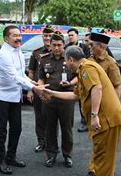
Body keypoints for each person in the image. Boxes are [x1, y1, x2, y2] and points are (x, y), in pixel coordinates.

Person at [43, 46, 121, 176]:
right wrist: (52, 93)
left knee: (104, 161)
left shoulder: (86, 68)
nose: (66, 65)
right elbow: (76, 95)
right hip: (106, 120)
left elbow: (97, 87)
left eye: (66, 62)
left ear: (70, 60)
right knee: (100, 159)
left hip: (106, 120)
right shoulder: (87, 67)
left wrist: (94, 115)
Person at [0, 25, 46, 175]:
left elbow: (21, 74)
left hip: (14, 96)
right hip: (1, 96)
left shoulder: (19, 51)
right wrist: (33, 88)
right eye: (14, 35)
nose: (18, 38)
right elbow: (13, 76)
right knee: (1, 130)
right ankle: (0, 160)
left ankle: (11, 156)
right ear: (7, 38)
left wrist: (32, 83)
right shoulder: (3, 55)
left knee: (16, 128)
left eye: (19, 35)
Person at [78, 32, 121, 176]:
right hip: (94, 110)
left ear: (102, 47)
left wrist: (110, 108)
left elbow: (118, 86)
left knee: (104, 146)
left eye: (92, 45)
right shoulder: (89, 61)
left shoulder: (111, 63)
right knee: (97, 143)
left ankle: (96, 172)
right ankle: (97, 171)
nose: (88, 47)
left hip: (105, 113)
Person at [37, 31, 75, 168]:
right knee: (50, 128)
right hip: (49, 99)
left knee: (67, 128)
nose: (57, 48)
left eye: (59, 45)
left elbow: (78, 75)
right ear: (50, 45)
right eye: (54, 45)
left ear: (64, 45)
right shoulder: (44, 59)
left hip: (66, 99)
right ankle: (51, 155)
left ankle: (67, 155)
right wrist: (40, 89)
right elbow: (41, 77)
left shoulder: (71, 58)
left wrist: (70, 83)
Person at [27, 26, 54, 153]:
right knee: (40, 117)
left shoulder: (59, 51)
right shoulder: (36, 53)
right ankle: (41, 141)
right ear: (42, 37)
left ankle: (51, 143)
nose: (47, 38)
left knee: (52, 118)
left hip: (54, 91)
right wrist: (30, 90)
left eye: (49, 36)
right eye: (45, 36)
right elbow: (31, 72)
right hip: (38, 90)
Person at [67, 28, 90, 133]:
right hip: (71, 77)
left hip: (82, 76)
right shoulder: (66, 48)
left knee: (82, 99)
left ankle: (85, 120)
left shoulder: (83, 47)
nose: (70, 37)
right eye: (69, 35)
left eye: (72, 35)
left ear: (77, 35)